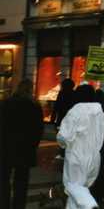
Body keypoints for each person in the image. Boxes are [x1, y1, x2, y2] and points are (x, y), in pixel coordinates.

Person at [57, 84, 104, 209]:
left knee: (73, 186)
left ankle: (90, 205)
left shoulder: (75, 111)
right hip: (94, 156)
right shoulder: (100, 113)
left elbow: (64, 136)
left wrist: (62, 143)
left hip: (76, 155)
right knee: (80, 189)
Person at [1, 79, 44, 209]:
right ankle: (18, 205)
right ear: (31, 89)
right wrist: (33, 145)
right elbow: (38, 130)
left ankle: (4, 204)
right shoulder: (35, 106)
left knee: (3, 179)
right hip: (25, 149)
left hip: (6, 147)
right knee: (21, 181)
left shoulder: (6, 104)